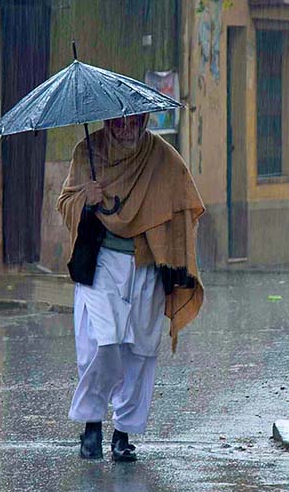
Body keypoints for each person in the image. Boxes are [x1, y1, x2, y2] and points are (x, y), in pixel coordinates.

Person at [56, 113, 204, 462]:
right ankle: (92, 424)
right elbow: (65, 204)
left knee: (140, 349)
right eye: (118, 124)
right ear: (107, 124)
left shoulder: (162, 157)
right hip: (101, 261)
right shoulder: (86, 153)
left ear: (144, 121)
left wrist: (175, 255)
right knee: (102, 343)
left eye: (133, 122)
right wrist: (85, 200)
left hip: (146, 263)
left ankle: (122, 433)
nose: (126, 130)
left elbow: (185, 205)